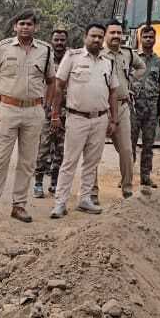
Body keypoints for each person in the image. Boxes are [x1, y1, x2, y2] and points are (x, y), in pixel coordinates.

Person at [0, 10, 55, 225]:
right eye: (21, 23)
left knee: (27, 161)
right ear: (15, 26)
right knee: (0, 159)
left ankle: (19, 205)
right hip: (9, 109)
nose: (25, 27)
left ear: (36, 27)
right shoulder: (3, 47)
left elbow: (51, 81)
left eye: (30, 24)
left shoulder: (45, 50)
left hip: (34, 111)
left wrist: (47, 106)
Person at [49, 22, 117, 218]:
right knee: (69, 161)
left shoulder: (107, 61)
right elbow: (58, 87)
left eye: (99, 36)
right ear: (85, 37)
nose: (96, 39)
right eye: (93, 36)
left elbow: (113, 91)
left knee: (92, 162)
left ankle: (85, 199)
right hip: (77, 118)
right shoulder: (72, 57)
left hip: (100, 119)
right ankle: (60, 203)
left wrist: (113, 120)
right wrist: (55, 115)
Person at [102, 20, 146, 199]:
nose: (116, 36)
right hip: (101, 108)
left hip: (121, 106)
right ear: (105, 34)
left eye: (119, 33)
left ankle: (127, 189)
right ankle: (92, 192)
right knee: (94, 152)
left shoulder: (127, 53)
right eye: (112, 33)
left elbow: (142, 67)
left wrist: (129, 81)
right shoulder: (98, 53)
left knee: (127, 150)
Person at [33, 27, 69, 198]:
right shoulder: (44, 57)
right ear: (51, 41)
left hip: (66, 110)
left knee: (61, 149)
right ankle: (38, 183)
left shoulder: (71, 58)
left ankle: (55, 182)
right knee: (43, 148)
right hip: (47, 109)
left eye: (62, 40)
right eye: (57, 40)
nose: (60, 43)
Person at [130, 24, 160, 195]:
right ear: (140, 38)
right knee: (130, 144)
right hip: (134, 106)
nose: (148, 40)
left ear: (155, 39)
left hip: (151, 107)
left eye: (151, 37)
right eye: (145, 37)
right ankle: (127, 176)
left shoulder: (159, 61)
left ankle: (145, 176)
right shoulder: (132, 57)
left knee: (148, 144)